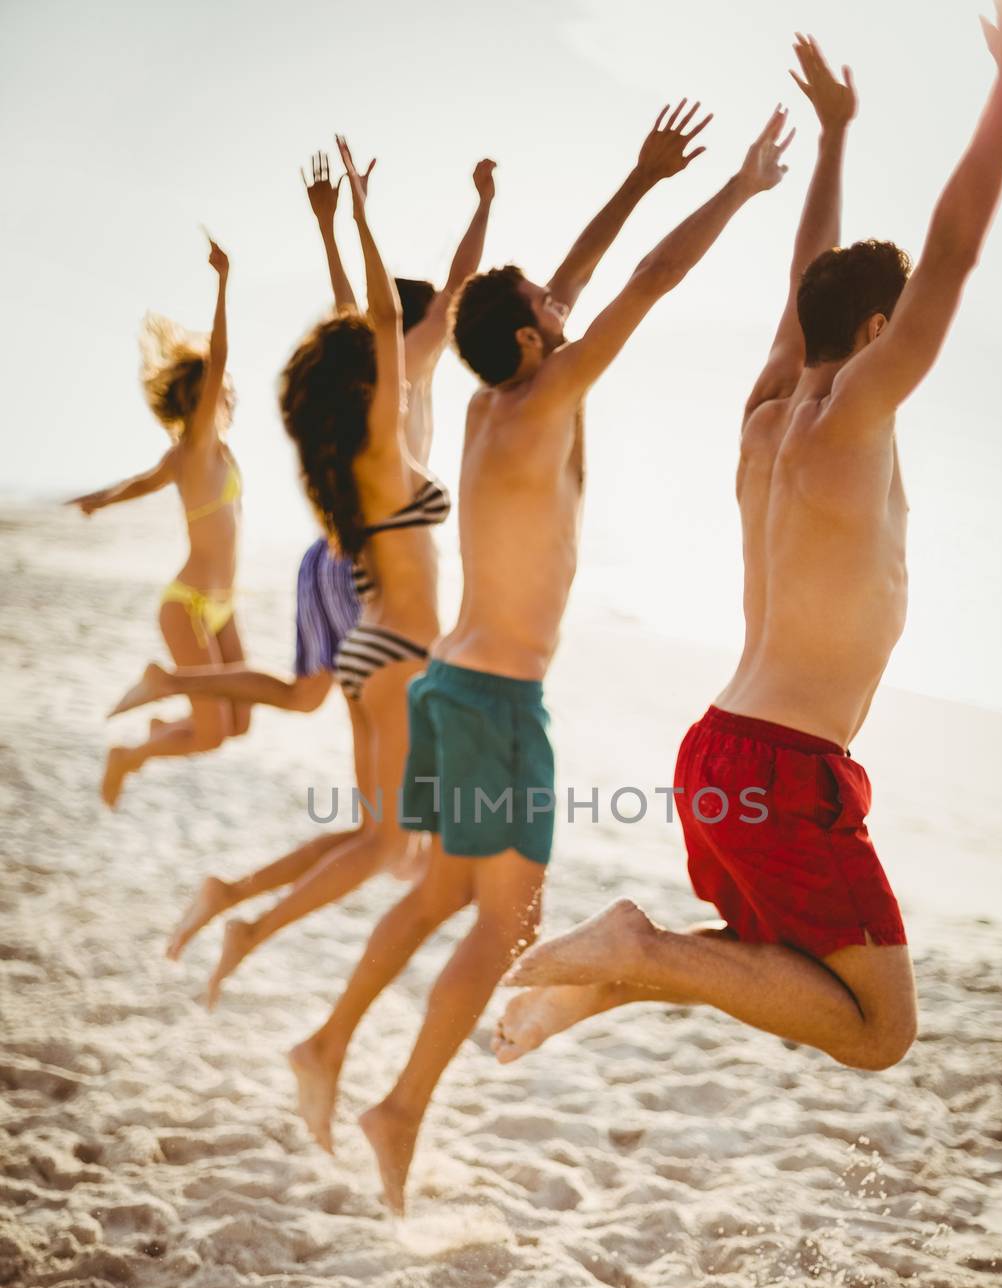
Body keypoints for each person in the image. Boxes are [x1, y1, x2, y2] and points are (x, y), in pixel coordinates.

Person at [497, 10, 1002, 1077]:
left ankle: (603, 982)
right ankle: (632, 946)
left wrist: (833, 133)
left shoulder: (766, 415)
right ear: (880, 334)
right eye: (905, 324)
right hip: (783, 768)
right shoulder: (851, 414)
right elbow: (956, 250)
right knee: (879, 1033)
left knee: (772, 957)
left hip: (720, 750)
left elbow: (805, 282)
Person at [288, 100, 794, 1208]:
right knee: (504, 919)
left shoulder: (498, 395)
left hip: (460, 687)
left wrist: (638, 170)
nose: (565, 311)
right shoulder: (544, 394)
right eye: (548, 312)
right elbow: (645, 283)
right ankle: (394, 1105)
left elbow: (568, 279)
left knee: (440, 900)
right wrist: (739, 188)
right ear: (532, 339)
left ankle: (329, 1050)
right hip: (493, 703)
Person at [116, 148, 497, 1001]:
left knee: (327, 742)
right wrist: (474, 204)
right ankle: (244, 913)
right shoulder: (404, 381)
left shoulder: (348, 397)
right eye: (430, 309)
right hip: (377, 600)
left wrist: (333, 225)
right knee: (388, 838)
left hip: (338, 567)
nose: (443, 310)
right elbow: (452, 287)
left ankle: (231, 888)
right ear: (411, 324)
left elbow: (356, 314)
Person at [68, 238, 249, 808]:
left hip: (222, 607)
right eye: (207, 393)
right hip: (189, 605)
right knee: (215, 731)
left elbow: (135, 484)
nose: (217, 397)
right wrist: (223, 282)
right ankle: (131, 756)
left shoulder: (218, 450)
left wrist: (100, 498)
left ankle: (150, 738)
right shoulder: (190, 449)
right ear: (196, 402)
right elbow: (140, 484)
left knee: (239, 723)